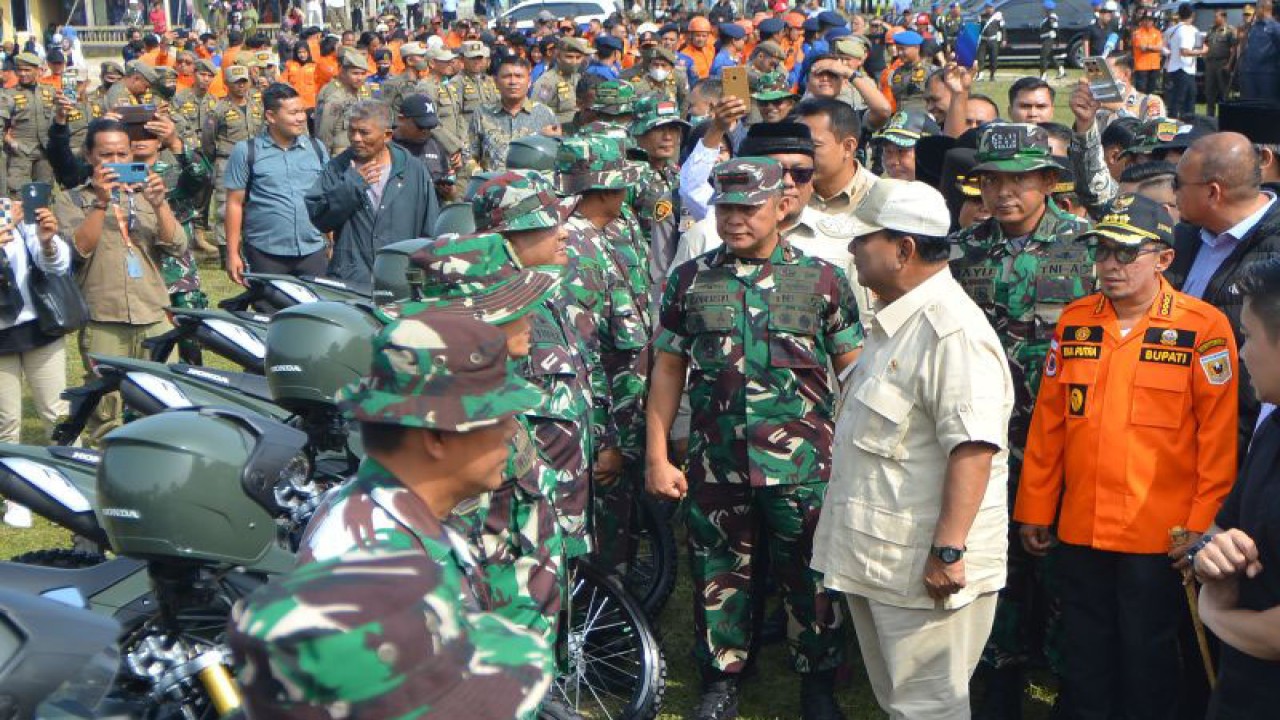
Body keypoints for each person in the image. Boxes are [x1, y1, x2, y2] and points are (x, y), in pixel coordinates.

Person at [647, 157, 860, 720]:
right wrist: (656, 453)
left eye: (749, 208)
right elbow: (667, 368)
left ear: (782, 207)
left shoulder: (821, 278)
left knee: (812, 577)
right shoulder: (691, 279)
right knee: (719, 572)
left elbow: (855, 369)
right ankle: (721, 680)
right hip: (717, 462)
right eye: (726, 208)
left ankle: (817, 682)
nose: (735, 219)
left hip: (805, 465)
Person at [257, 315, 553, 719]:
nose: (509, 433)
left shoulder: (413, 520)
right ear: (436, 437)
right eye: (495, 418)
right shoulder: (367, 565)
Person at [1016, 193, 1239, 720]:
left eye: (1125, 253)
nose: (1110, 265)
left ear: (1163, 258)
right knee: (1085, 654)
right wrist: (1035, 509)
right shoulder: (1075, 322)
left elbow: (1218, 442)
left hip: (1159, 538)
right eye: (1102, 252)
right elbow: (1049, 425)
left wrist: (1201, 528)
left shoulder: (1202, 327)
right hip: (1080, 528)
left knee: (1149, 658)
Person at [814, 177, 1012, 719]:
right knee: (903, 702)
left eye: (864, 240)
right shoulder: (896, 323)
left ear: (903, 250)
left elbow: (973, 447)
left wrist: (948, 551)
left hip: (924, 566)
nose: (852, 250)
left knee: (927, 707)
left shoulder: (951, 333)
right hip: (884, 555)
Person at [948, 123, 1093, 708]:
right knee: (995, 551)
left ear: (1049, 182)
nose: (1004, 192)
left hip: (1065, 435)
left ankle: (1061, 669)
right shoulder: (963, 250)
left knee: (1060, 560)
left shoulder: (1085, 246)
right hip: (989, 437)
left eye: (1020, 180)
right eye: (991, 181)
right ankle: (999, 665)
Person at [471, 171, 594, 560]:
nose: (564, 233)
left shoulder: (549, 294)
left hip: (564, 504)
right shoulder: (487, 321)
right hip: (519, 528)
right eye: (547, 226)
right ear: (504, 240)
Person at [55, 118, 186, 444]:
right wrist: (101, 202)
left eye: (122, 154)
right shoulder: (71, 200)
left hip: (153, 314)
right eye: (106, 155)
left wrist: (159, 205)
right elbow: (77, 250)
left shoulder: (147, 193)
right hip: (104, 318)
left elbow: (177, 245)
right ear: (89, 156)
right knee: (106, 414)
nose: (115, 163)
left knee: (162, 404)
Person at [1190, 257, 1280, 717]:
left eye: (1248, 336)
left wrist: (1214, 612)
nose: (1241, 353)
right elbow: (1222, 528)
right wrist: (1211, 557)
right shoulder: (1272, 427)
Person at [1167, 132, 1280, 451]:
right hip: (1172, 434)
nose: (1171, 193)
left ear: (1213, 192)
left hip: (1241, 442)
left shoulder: (1276, 249)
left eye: (1177, 184)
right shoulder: (1181, 238)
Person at [306, 101, 437, 286]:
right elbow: (320, 219)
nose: (356, 138)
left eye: (364, 132)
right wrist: (351, 185)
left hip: (400, 279)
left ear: (387, 136)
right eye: (352, 131)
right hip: (353, 280)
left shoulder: (412, 169)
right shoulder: (338, 168)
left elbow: (429, 227)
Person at [0, 198, 67, 528]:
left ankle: (68, 486)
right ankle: (16, 497)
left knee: (57, 411)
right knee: (6, 421)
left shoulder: (18, 209)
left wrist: (47, 241)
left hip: (38, 324)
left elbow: (55, 266)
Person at [223, 83, 328, 285]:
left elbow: (327, 197)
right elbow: (234, 204)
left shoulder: (316, 148)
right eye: (293, 113)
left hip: (312, 249)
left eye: (302, 111)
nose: (301, 118)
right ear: (271, 117)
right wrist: (232, 253)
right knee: (271, 313)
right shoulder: (246, 151)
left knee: (316, 312)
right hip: (266, 251)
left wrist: (331, 241)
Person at [201, 64, 263, 259]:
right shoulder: (219, 109)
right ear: (227, 84)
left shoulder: (257, 106)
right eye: (236, 83)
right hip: (227, 160)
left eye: (244, 82)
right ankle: (226, 249)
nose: (241, 86)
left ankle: (249, 246)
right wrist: (215, 158)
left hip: (254, 160)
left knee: (253, 203)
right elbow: (208, 139)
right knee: (224, 205)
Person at [468, 56, 557, 173]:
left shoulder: (544, 114)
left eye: (519, 76)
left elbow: (557, 155)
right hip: (494, 188)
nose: (513, 82)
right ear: (496, 82)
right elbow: (469, 154)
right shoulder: (482, 113)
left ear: (529, 81)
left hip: (532, 188)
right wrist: (482, 178)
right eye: (506, 76)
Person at [795, 98, 879, 219]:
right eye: (797, 145)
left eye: (812, 145)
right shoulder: (787, 192)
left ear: (848, 147)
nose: (801, 154)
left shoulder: (880, 199)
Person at [5, 53, 58, 191]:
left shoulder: (50, 91)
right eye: (19, 70)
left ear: (38, 70)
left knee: (45, 192)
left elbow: (60, 118)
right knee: (18, 191)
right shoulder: (8, 95)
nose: (22, 74)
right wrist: (13, 143)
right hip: (21, 151)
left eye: (27, 70)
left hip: (45, 150)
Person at [314, 50, 371, 155]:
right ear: (343, 72)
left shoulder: (365, 91)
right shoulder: (334, 96)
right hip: (340, 155)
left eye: (363, 74)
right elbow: (324, 132)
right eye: (355, 73)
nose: (360, 78)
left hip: (362, 151)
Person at [533, 37, 590, 126]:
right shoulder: (547, 82)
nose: (574, 62)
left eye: (578, 57)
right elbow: (536, 111)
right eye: (569, 57)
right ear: (558, 57)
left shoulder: (577, 76)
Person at [1166, 3, 1205, 120]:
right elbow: (1185, 51)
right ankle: (1179, 131)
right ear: (1193, 15)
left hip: (1175, 68)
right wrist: (1202, 51)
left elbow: (1163, 46)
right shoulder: (1188, 30)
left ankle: (1171, 130)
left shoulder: (1171, 30)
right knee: (1184, 102)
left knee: (1177, 101)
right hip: (1183, 69)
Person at [1240, 0, 1280, 102]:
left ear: (1262, 9)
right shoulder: (1253, 27)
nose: (1255, 12)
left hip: (1267, 75)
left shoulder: (1275, 27)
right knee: (1250, 105)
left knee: (1266, 107)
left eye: (1256, 8)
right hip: (1250, 73)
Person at [1204, 11, 1237, 117]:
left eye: (1216, 17)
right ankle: (1210, 118)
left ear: (1223, 17)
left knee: (1224, 92)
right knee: (1209, 93)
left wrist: (1229, 64)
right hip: (1210, 64)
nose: (1214, 18)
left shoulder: (1229, 31)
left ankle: (1226, 118)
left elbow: (1234, 49)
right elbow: (1205, 43)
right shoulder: (1211, 30)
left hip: (1222, 63)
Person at [977, 4, 1004, 82]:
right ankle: (980, 75)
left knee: (993, 59)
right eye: (987, 8)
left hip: (993, 40)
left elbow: (1002, 28)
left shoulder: (998, 17)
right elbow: (978, 27)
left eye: (991, 8)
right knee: (981, 58)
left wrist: (1004, 39)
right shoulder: (981, 16)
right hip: (983, 40)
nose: (989, 9)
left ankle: (992, 75)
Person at [1039, 0, 1065, 80]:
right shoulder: (1046, 18)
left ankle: (1043, 74)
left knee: (1043, 57)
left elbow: (1056, 29)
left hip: (1048, 40)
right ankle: (1061, 69)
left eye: (1044, 7)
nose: (1043, 9)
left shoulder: (1052, 17)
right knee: (1049, 56)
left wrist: (1057, 40)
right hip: (1045, 39)